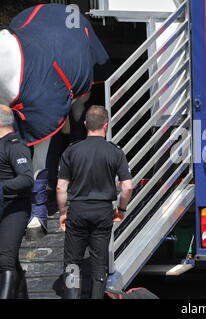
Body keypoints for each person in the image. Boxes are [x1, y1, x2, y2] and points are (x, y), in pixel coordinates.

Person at [56, 105, 133, 299]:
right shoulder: (115, 152)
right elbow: (127, 187)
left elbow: (60, 188)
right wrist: (121, 209)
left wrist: (63, 212)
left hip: (78, 211)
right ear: (105, 125)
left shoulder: (72, 151)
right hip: (103, 211)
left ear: (85, 124)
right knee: (99, 262)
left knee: (73, 261)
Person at [0, 104, 34, 299]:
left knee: (4, 260)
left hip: (15, 208)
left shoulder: (15, 146)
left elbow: (27, 178)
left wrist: (2, 187)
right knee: (11, 260)